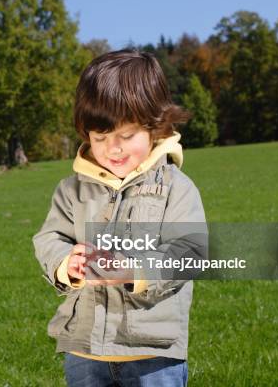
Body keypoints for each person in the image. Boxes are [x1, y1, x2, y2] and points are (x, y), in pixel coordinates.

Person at [33, 49, 208, 386]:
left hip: (152, 355)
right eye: (100, 138)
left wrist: (135, 271)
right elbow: (49, 237)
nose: (112, 149)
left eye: (125, 136)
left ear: (155, 126)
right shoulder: (73, 189)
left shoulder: (176, 188)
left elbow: (190, 252)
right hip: (84, 351)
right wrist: (65, 263)